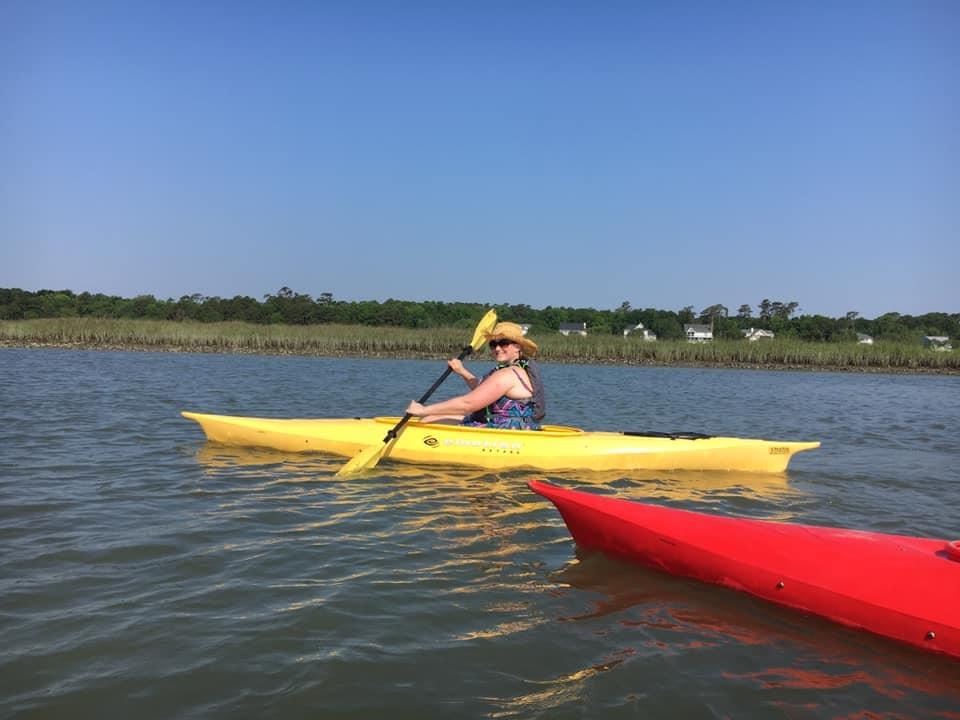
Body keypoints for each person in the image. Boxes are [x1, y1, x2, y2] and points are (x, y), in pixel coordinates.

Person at [406, 322, 546, 430]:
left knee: (427, 419)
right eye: (493, 344)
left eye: (503, 343)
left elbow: (469, 404)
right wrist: (462, 371)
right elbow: (484, 391)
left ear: (518, 347)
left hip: (503, 433)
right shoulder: (520, 369)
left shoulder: (507, 374)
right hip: (517, 427)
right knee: (434, 417)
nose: (497, 348)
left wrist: (423, 410)